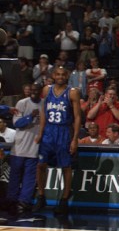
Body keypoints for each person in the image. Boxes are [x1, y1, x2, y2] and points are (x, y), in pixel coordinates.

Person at [33, 66, 82, 215]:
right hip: (49, 131)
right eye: (58, 74)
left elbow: (77, 117)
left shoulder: (72, 92)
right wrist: (40, 132)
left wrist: (75, 139)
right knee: (41, 165)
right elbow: (43, 112)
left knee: (65, 167)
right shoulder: (46, 90)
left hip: (63, 131)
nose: (60, 77)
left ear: (67, 76)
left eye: (63, 74)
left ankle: (64, 200)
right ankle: (41, 196)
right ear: (53, 75)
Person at [6, 85, 42, 217]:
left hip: (34, 148)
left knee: (30, 178)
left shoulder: (44, 104)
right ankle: (11, 200)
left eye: (36, 90)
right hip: (19, 148)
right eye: (32, 90)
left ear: (40, 91)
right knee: (15, 176)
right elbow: (17, 123)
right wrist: (30, 116)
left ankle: (24, 202)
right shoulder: (22, 103)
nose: (33, 92)